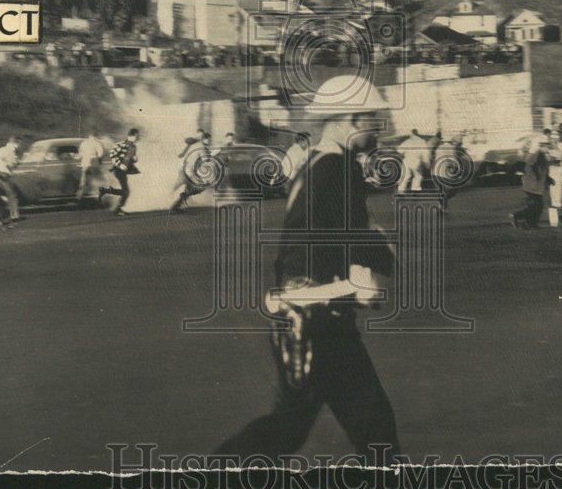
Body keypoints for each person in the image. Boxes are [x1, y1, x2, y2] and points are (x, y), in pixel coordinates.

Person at [217, 75, 399, 462]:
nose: (379, 129)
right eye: (373, 119)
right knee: (308, 429)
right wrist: (379, 261)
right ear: (350, 118)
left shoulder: (316, 164)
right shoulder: (337, 168)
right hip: (317, 323)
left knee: (351, 426)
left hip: (310, 315)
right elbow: (354, 238)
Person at [510, 135, 551, 229]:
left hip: (535, 186)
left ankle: (529, 223)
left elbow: (543, 170)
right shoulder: (536, 154)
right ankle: (517, 217)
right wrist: (536, 174)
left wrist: (548, 179)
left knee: (536, 207)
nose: (547, 147)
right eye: (546, 145)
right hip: (532, 186)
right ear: (541, 146)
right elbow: (530, 166)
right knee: (536, 207)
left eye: (548, 145)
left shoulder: (542, 156)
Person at [99, 128, 140, 216]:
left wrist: (134, 159)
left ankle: (106, 191)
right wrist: (119, 164)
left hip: (124, 171)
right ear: (131, 136)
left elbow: (130, 158)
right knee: (126, 191)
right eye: (136, 136)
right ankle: (118, 209)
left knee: (125, 191)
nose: (138, 138)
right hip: (118, 170)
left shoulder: (134, 147)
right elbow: (112, 155)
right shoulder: (121, 144)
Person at [171, 130, 212, 213]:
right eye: (207, 139)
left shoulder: (192, 145)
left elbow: (182, 154)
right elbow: (205, 160)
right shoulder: (202, 147)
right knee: (201, 187)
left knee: (177, 187)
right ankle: (180, 201)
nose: (208, 141)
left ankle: (171, 203)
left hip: (183, 170)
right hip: (190, 172)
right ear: (204, 139)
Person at [0, 136, 22, 222]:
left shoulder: (1, 149)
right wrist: (17, 162)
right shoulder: (11, 151)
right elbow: (11, 165)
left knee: (2, 194)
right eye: (19, 143)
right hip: (4, 174)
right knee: (12, 195)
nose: (20, 146)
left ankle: (4, 213)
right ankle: (14, 215)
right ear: (16, 143)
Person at [76, 130, 105, 201]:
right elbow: (100, 154)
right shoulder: (97, 144)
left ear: (89, 136)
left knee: (83, 181)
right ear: (95, 136)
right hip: (93, 164)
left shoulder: (83, 143)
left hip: (85, 165)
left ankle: (79, 197)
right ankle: (98, 197)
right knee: (97, 181)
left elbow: (79, 155)